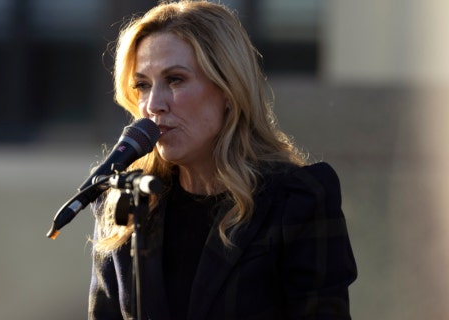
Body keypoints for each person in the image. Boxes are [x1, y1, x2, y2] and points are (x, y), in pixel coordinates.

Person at [88, 1, 357, 319]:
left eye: (175, 79)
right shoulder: (126, 200)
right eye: (142, 85)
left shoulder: (296, 199)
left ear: (228, 89)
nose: (153, 105)